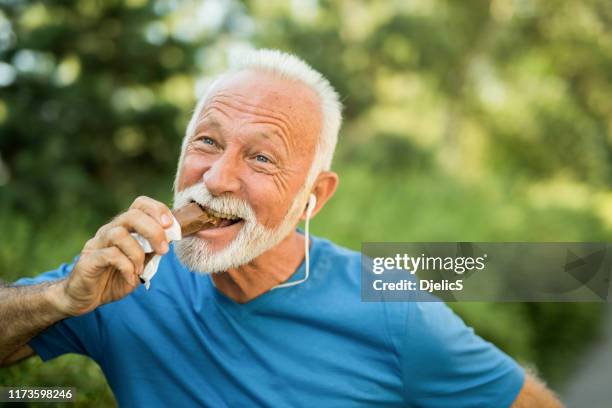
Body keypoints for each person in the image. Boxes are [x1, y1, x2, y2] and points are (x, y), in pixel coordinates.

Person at [0, 49, 562, 407]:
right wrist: (61, 298)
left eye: (261, 158)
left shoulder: (393, 311)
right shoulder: (121, 280)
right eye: (207, 142)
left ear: (312, 197)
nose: (216, 178)